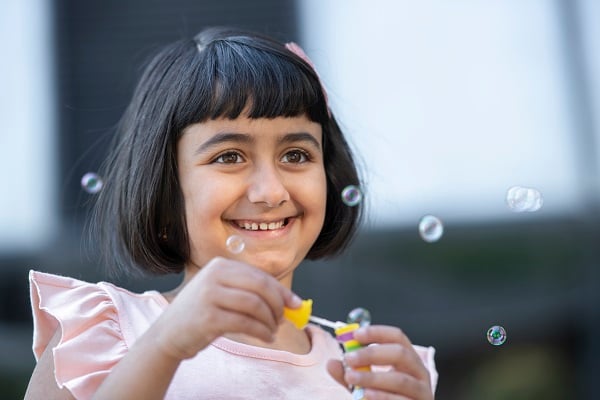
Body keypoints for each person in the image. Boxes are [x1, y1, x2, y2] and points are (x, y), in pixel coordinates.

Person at [24, 26, 438, 399]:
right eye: (229, 156)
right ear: (165, 187)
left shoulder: (368, 373)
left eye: (296, 154)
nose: (271, 191)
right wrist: (165, 347)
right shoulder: (106, 335)